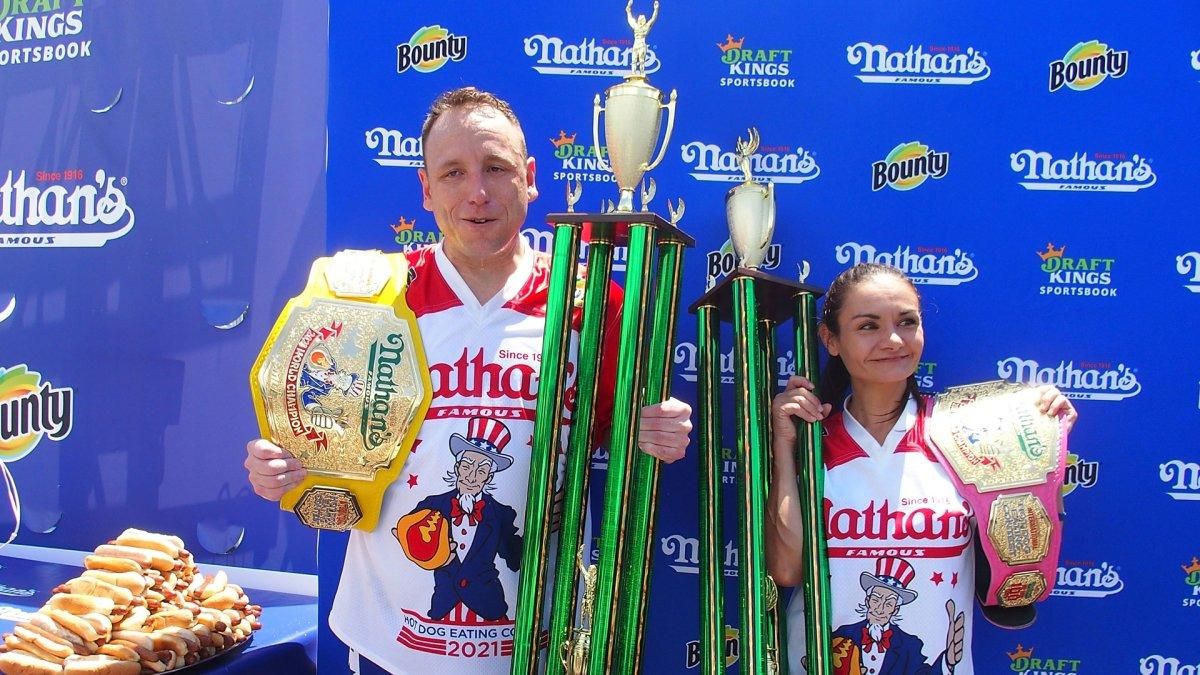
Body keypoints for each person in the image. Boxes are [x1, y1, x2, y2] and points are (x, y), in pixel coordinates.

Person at [244, 87, 692, 675]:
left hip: (538, 644)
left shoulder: (589, 301)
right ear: (427, 189)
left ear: (529, 178)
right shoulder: (369, 297)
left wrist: (657, 430)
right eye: (453, 173)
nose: (477, 193)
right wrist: (280, 470)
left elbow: (620, 433)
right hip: (391, 646)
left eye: (496, 168)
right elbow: (316, 454)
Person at [765, 262, 1077, 675]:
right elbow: (787, 569)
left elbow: (1021, 566)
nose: (893, 340)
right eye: (867, 326)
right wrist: (784, 447)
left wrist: (1043, 448)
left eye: (907, 322)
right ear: (830, 339)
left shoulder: (978, 434)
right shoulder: (813, 440)